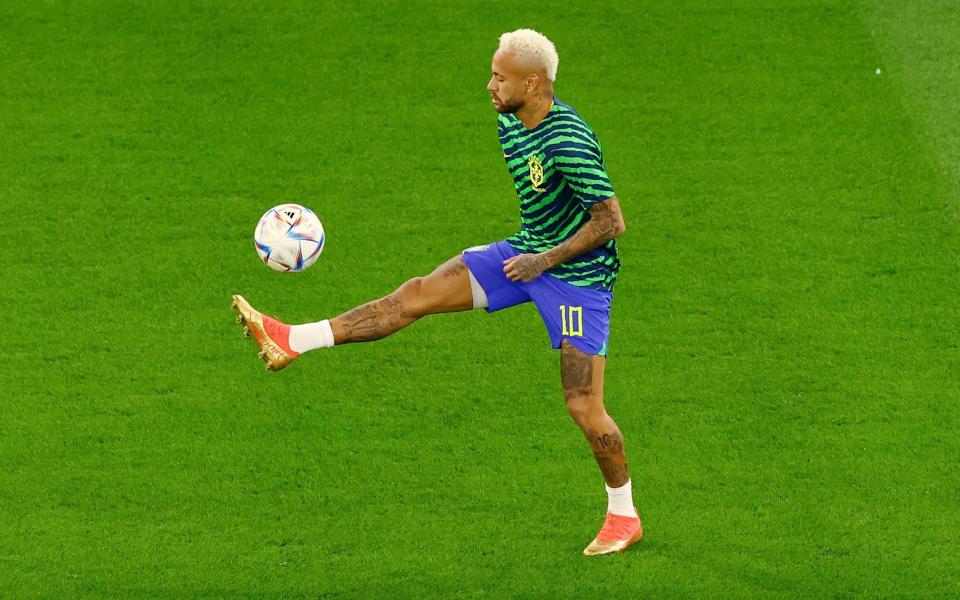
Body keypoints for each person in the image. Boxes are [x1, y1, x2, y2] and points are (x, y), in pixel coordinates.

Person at [232, 28, 641, 556]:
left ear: (533, 82)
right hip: (524, 254)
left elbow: (611, 221)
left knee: (583, 406)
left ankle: (624, 516)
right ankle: (290, 339)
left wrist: (543, 260)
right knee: (418, 293)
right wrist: (531, 254)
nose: (490, 85)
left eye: (501, 76)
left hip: (577, 280)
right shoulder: (510, 120)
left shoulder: (568, 138)